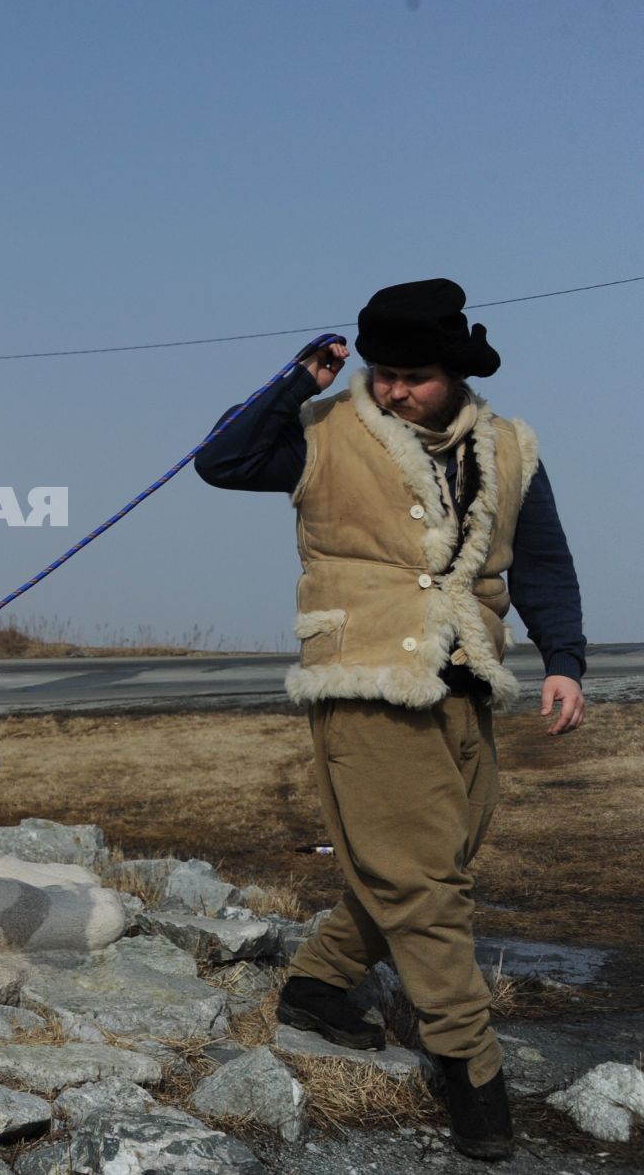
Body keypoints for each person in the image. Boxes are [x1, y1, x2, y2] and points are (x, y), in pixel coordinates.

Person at [194, 278, 585, 1163]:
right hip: (362, 676)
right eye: (381, 372)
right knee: (424, 883)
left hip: (465, 680)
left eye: (411, 375)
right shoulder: (323, 429)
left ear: (454, 372)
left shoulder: (512, 448)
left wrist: (564, 660)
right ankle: (470, 1071)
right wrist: (296, 379)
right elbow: (220, 459)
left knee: (438, 854)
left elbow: (544, 561)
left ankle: (320, 985)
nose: (392, 389)